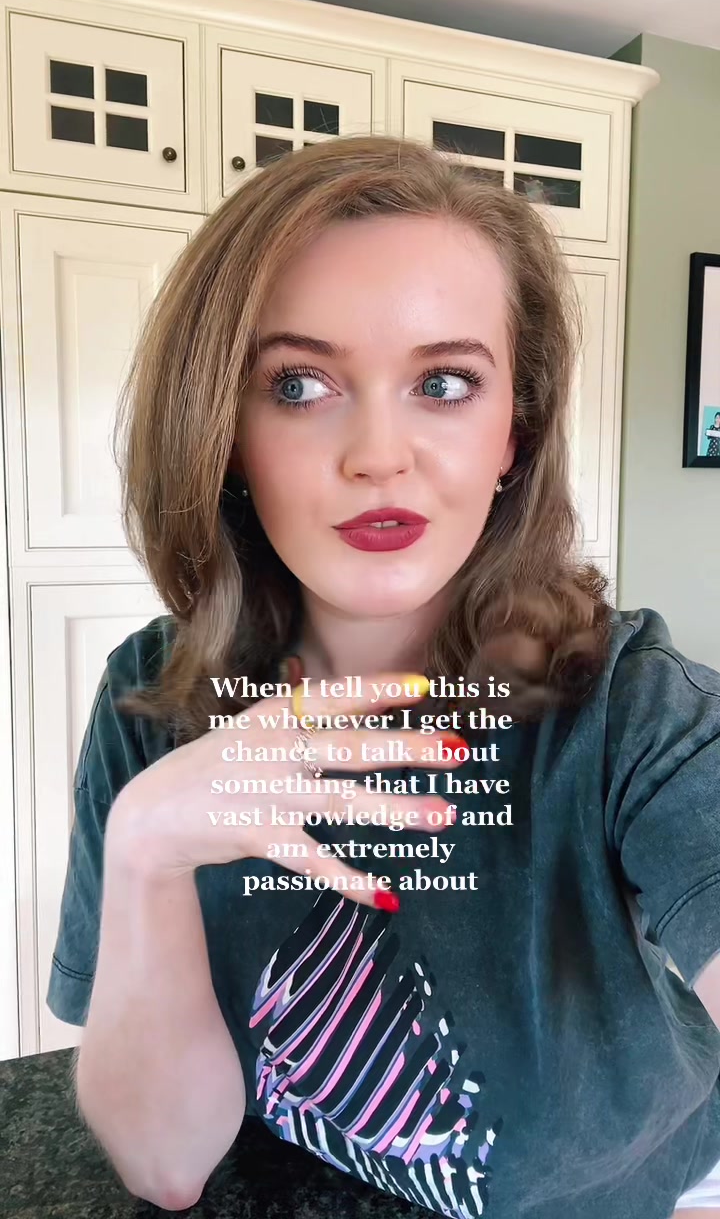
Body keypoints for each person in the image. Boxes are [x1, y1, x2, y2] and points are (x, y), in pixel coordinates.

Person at [46, 134, 720, 1219]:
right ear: (227, 432)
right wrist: (144, 854)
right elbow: (165, 1167)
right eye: (299, 384)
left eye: (445, 383)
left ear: (514, 433)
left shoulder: (632, 708)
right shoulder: (152, 696)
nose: (378, 454)